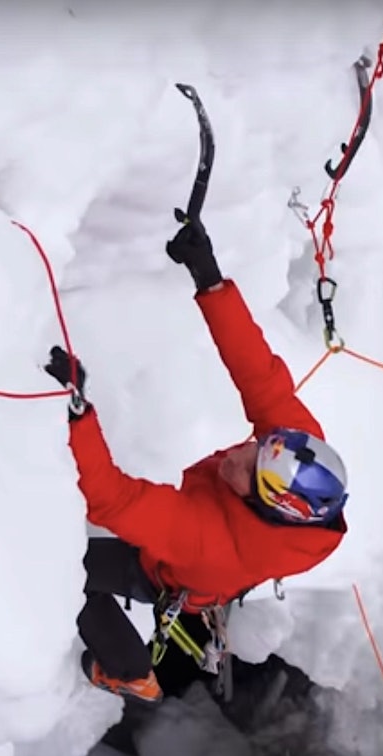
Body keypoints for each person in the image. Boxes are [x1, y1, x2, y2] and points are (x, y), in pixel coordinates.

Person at [42, 217, 350, 704]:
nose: (244, 451)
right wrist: (210, 279)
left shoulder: (204, 536)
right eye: (259, 447)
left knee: (63, 571)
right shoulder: (293, 452)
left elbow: (111, 499)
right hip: (223, 557)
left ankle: (129, 671)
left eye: (250, 471)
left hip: (171, 570)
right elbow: (258, 374)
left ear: (263, 506)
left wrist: (80, 413)